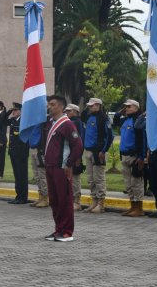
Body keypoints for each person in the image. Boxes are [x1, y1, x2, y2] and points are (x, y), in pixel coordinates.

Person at [43, 95, 83, 242]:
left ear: (61, 106)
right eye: (49, 104)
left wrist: (69, 164)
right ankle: (58, 229)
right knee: (54, 200)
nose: (50, 107)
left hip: (62, 167)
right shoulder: (50, 123)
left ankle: (67, 231)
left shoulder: (67, 124)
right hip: (50, 166)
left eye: (53, 104)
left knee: (64, 200)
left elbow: (77, 145)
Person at [81, 97, 114, 213]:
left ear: (98, 105)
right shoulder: (89, 117)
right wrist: (87, 108)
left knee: (99, 178)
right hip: (88, 151)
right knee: (90, 179)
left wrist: (103, 151)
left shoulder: (104, 118)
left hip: (98, 152)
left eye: (92, 105)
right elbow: (82, 116)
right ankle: (94, 201)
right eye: (89, 106)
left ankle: (101, 203)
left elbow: (110, 136)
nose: (90, 107)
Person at [118, 99, 146, 217]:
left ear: (136, 108)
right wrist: (122, 110)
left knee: (136, 183)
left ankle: (139, 208)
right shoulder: (126, 120)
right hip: (124, 155)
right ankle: (132, 206)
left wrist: (141, 156)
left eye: (129, 107)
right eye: (126, 107)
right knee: (128, 184)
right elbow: (115, 119)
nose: (127, 109)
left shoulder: (138, 121)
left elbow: (142, 140)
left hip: (134, 156)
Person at [6, 103, 29, 204]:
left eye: (15, 110)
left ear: (20, 111)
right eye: (13, 110)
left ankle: (23, 197)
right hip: (13, 152)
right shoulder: (12, 120)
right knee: (17, 175)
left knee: (22, 175)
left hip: (21, 153)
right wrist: (9, 112)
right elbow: (2, 121)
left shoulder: (23, 121)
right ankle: (18, 196)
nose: (13, 112)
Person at [64, 104, 85, 211]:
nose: (66, 113)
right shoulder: (69, 122)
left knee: (75, 178)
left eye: (69, 111)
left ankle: (77, 201)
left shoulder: (77, 122)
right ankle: (71, 200)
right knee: (69, 178)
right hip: (68, 153)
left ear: (75, 112)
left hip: (75, 154)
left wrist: (78, 156)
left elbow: (79, 140)